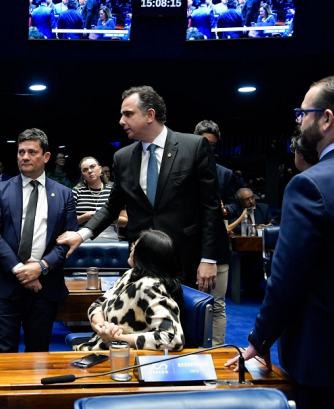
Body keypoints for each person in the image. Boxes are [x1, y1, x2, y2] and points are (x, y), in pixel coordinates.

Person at [57, 85, 229, 347]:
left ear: (150, 115)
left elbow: (210, 208)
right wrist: (82, 235)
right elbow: (111, 207)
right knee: (147, 324)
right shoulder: (123, 157)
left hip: (187, 257)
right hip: (143, 261)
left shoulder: (194, 146)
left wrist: (208, 258)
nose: (121, 121)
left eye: (127, 114)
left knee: (186, 332)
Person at [225, 75, 334, 408]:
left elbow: (287, 278)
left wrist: (260, 339)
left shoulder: (311, 185)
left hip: (331, 358)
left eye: (303, 112)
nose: (298, 120)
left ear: (326, 119)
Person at [0, 128, 78, 353]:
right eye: (21, 152)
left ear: (46, 157)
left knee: (38, 354)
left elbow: (67, 240)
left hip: (44, 286)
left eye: (31, 152)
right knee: (3, 355)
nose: (24, 157)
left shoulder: (64, 194)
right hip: (5, 285)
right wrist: (21, 271)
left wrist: (41, 267)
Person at [74, 230, 184, 351]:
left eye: (135, 247)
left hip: (122, 358)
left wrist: (118, 338)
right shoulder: (130, 274)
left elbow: (172, 339)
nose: (131, 250)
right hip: (100, 349)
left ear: (145, 256)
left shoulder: (150, 286)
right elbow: (97, 305)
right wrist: (103, 327)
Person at [73, 156, 127, 242]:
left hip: (109, 236)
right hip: (82, 236)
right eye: (85, 170)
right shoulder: (76, 191)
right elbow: (68, 221)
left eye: (92, 166)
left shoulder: (113, 190)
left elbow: (124, 222)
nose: (90, 171)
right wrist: (85, 217)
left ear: (100, 169)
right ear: (83, 175)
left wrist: (108, 218)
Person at [193, 119, 239, 219]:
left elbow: (234, 207)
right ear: (195, 141)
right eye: (204, 143)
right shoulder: (183, 167)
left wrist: (224, 210)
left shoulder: (226, 174)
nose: (208, 148)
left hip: (213, 229)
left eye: (212, 145)